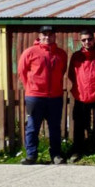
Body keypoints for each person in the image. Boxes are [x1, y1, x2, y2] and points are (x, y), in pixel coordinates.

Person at [17, 25, 68, 165]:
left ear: (54, 36)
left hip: (55, 97)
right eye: (44, 34)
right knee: (33, 127)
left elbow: (62, 71)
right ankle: (31, 155)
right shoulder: (30, 52)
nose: (47, 37)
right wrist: (31, 88)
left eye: (50, 35)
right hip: (35, 96)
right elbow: (22, 72)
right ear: (39, 36)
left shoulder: (61, 54)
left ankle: (56, 155)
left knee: (55, 128)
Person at [67, 29, 95, 161]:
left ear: (94, 39)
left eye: (89, 39)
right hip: (81, 96)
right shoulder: (76, 56)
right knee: (79, 125)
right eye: (84, 40)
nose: (87, 42)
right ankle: (77, 151)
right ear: (81, 41)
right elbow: (71, 75)